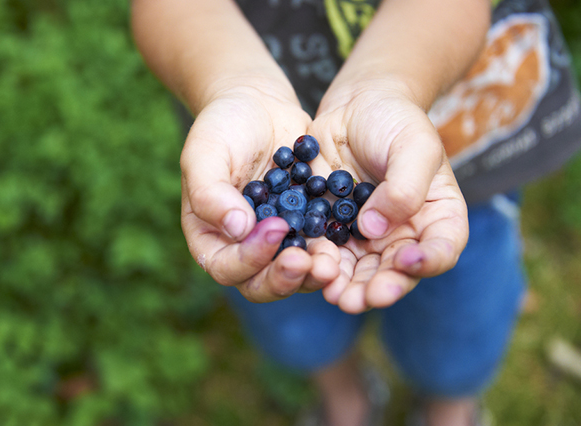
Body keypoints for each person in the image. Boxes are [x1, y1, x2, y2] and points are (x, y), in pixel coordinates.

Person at [131, 0, 581, 425]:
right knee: (294, 323)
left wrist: (387, 83)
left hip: (464, 158)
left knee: (463, 321)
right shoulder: (285, 192)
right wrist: (236, 87)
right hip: (250, 140)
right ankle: (345, 396)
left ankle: (450, 404)